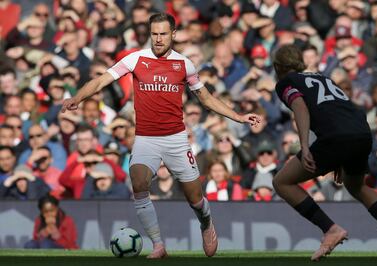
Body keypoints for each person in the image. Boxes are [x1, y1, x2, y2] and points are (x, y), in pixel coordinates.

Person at [61, 13, 260, 258]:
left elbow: (206, 99)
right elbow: (101, 80)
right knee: (138, 182)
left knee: (195, 197)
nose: (158, 39)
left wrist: (238, 117)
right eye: (154, 34)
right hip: (146, 138)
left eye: (163, 34)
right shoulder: (135, 59)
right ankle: (158, 245)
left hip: (176, 138)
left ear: (173, 34)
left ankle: (206, 222)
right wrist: (76, 98)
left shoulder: (184, 64)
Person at [272, 44, 377, 262]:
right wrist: (341, 159)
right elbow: (341, 110)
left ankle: (330, 229)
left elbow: (300, 107)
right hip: (361, 132)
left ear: (277, 66)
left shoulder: (286, 82)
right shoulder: (324, 79)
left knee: (282, 182)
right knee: (356, 185)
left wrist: (304, 145)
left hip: (337, 137)